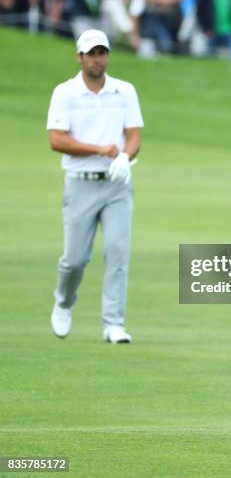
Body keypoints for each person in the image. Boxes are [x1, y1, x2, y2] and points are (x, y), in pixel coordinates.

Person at [47, 29, 144, 344]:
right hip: (80, 183)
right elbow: (56, 140)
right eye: (91, 53)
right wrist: (102, 151)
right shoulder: (65, 92)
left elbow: (133, 135)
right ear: (79, 57)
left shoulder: (124, 91)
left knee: (118, 253)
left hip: (117, 185)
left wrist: (124, 157)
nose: (97, 59)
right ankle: (63, 301)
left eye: (101, 52)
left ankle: (113, 323)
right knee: (74, 259)